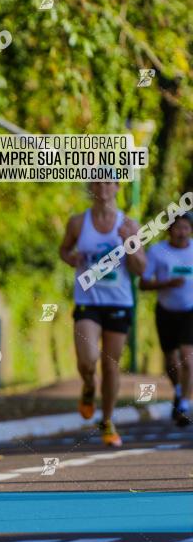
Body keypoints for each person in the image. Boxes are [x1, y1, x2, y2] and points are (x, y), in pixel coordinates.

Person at [59, 182, 146, 446]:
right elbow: (63, 250)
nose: (103, 187)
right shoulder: (77, 223)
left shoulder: (130, 225)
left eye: (108, 182)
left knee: (110, 366)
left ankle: (107, 421)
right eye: (97, 182)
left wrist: (129, 244)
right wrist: (71, 258)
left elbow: (140, 268)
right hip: (88, 300)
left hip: (119, 302)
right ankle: (87, 386)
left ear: (117, 187)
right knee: (88, 360)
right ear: (90, 187)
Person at [140, 211, 193, 426]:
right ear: (169, 230)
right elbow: (143, 284)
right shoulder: (157, 252)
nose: (182, 232)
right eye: (177, 227)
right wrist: (166, 284)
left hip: (190, 310)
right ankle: (178, 391)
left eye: (186, 227)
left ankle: (185, 404)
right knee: (171, 358)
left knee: (187, 357)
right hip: (166, 310)